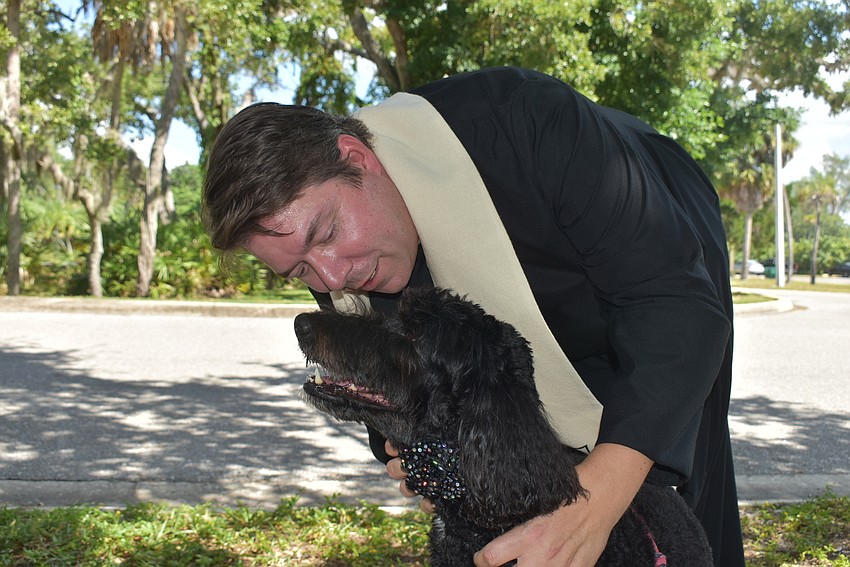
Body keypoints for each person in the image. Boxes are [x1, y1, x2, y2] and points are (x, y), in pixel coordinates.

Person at [202, 66, 744, 567]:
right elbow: (399, 382)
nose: (332, 279)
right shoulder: (338, 260)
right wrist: (422, 459)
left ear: (357, 159)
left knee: (669, 496)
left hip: (658, 252)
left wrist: (599, 496)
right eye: (299, 271)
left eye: (325, 235)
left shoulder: (528, 119)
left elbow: (673, 307)